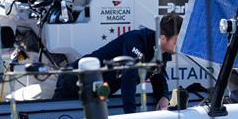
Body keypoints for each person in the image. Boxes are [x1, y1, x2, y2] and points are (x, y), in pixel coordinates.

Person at [53, 13, 183, 112]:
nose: (179, 45)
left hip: (96, 93)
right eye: (176, 41)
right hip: (74, 82)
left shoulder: (163, 51)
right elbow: (128, 82)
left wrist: (163, 96)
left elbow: (158, 77)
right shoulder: (137, 40)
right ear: (163, 38)